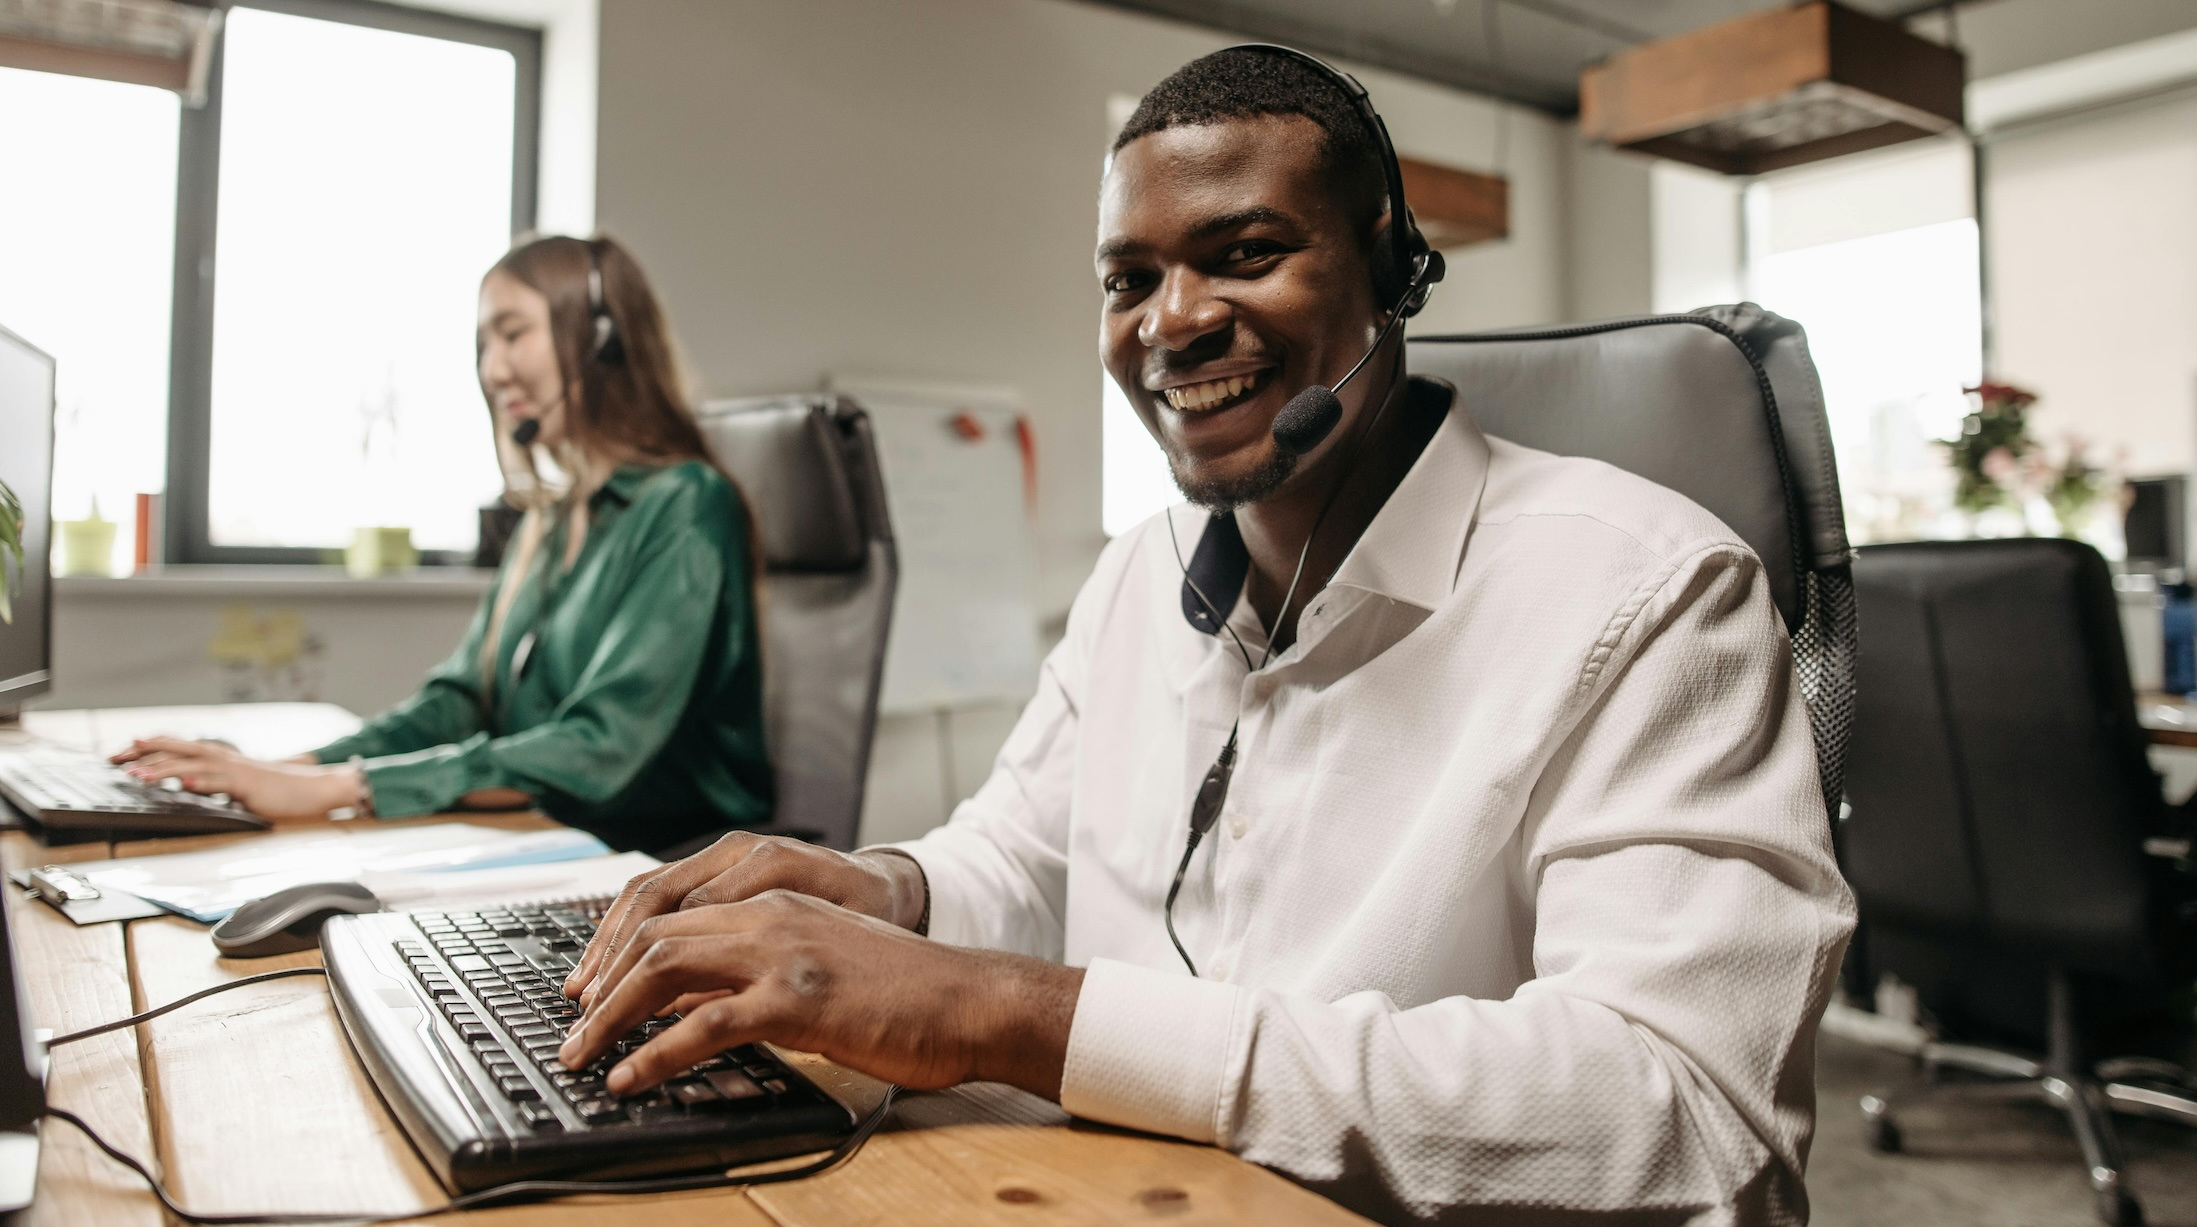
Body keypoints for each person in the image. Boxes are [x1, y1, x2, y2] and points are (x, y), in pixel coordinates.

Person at [554, 48, 1855, 1224]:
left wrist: (1014, 1013)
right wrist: (884, 890)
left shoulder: (1651, 591)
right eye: (1131, 278)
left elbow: (1688, 1113)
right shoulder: (1142, 574)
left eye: (1241, 252)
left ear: (1390, 260)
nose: (1171, 320)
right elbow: (1021, 849)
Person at [116, 235, 772, 856]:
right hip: (544, 835)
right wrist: (284, 770)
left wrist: (343, 788)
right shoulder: (550, 520)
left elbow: (599, 746)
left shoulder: (686, 502)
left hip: (656, 864)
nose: (492, 369)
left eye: (513, 333)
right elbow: (458, 703)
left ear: (599, 339)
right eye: (483, 344)